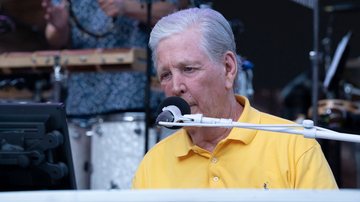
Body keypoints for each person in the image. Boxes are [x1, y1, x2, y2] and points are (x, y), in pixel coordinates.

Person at [132, 7, 338, 189]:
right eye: (166, 75)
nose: (176, 87)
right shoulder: (153, 164)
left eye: (188, 69)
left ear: (228, 69)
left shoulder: (294, 145)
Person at [42, 0, 188, 115]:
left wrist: (126, 6)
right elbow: (53, 37)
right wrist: (59, 27)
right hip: (80, 97)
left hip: (132, 96)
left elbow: (175, 14)